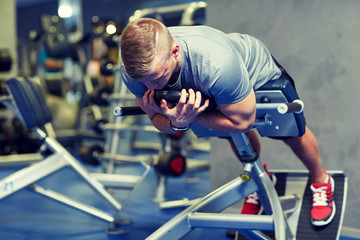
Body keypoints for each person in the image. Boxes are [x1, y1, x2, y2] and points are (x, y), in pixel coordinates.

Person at [119, 18, 335, 227]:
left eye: (156, 78)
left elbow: (244, 122)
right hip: (209, 85)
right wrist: (178, 122)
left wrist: (190, 117)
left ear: (175, 51)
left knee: (289, 132)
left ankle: (321, 179)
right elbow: (156, 119)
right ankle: (260, 184)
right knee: (231, 134)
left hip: (254, 73)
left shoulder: (216, 62)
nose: (151, 87)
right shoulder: (133, 72)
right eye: (144, 81)